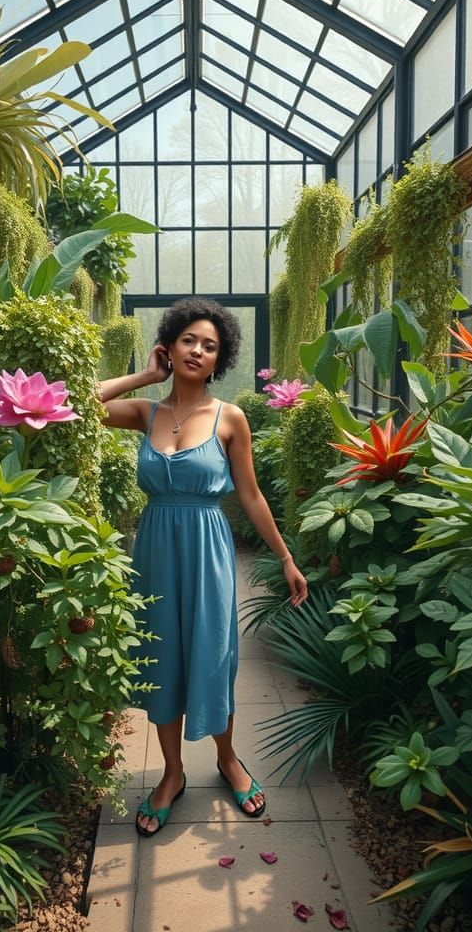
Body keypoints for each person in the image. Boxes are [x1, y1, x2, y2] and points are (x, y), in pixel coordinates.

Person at [98, 298, 308, 837]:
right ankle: (172, 775)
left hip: (208, 548)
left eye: (210, 345)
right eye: (189, 339)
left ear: (220, 359)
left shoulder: (229, 417)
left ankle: (227, 760)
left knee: (213, 656)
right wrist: (146, 375)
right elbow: (81, 402)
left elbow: (253, 495)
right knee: (161, 655)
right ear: (170, 345)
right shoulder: (146, 412)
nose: (198, 350)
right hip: (156, 550)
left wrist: (285, 558)